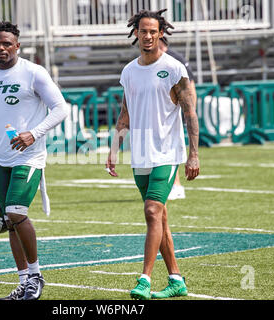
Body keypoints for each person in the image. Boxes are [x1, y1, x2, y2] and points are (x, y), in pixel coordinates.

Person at [106, 9, 200, 300]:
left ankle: (144, 279)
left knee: (151, 212)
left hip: (168, 154)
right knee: (160, 219)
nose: (147, 36)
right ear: (135, 32)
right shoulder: (129, 71)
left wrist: (193, 155)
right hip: (140, 157)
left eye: (152, 31)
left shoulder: (174, 68)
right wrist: (113, 150)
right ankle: (176, 280)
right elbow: (125, 115)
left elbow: (189, 113)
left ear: (161, 34)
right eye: (142, 31)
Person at [0, 21, 68, 300]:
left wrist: (34, 133)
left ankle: (36, 275)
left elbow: (61, 108)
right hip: (1, 160)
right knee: (9, 220)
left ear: (17, 45)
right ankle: (23, 282)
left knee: (17, 213)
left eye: (7, 43)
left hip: (29, 157)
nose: (1, 48)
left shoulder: (33, 72)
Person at [159, 36, 198, 200]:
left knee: (171, 148)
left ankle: (176, 185)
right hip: (162, 112)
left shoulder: (175, 60)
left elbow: (190, 86)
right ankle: (172, 185)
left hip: (174, 111)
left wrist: (189, 111)